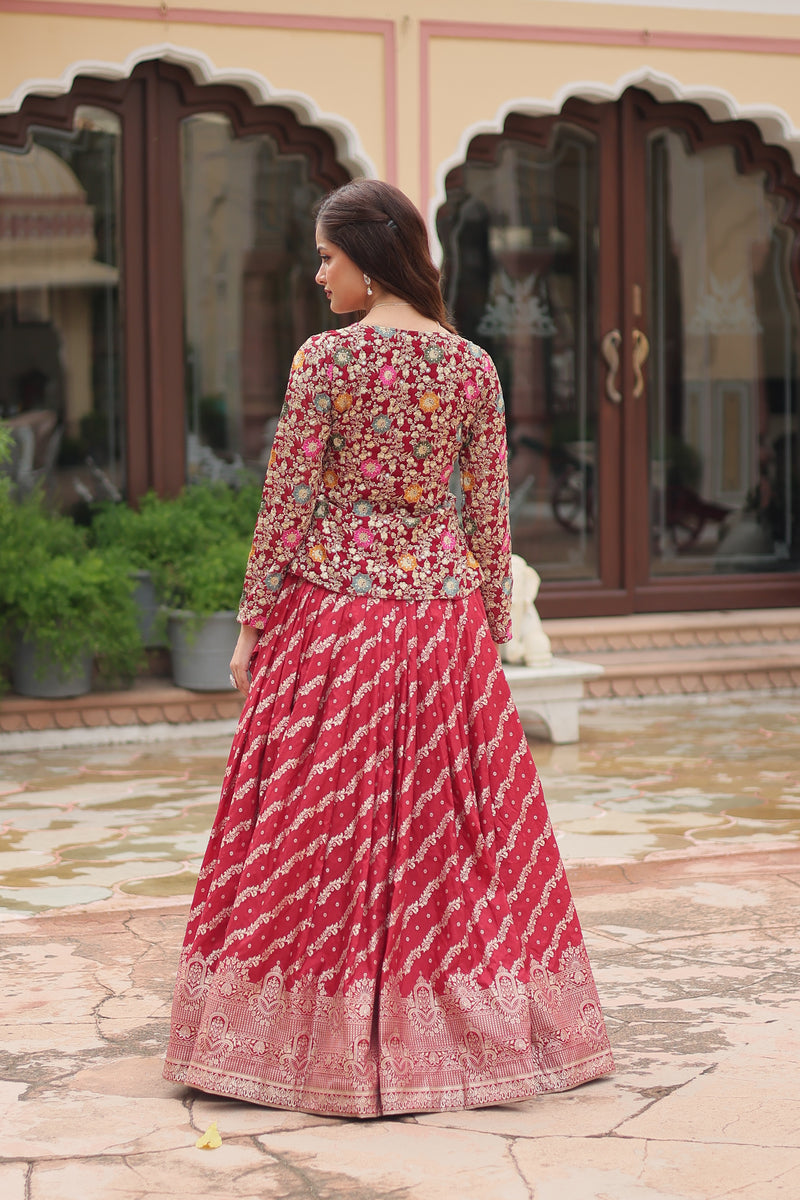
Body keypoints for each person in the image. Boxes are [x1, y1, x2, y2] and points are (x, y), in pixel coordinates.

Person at [162, 179, 614, 1117]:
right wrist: (492, 635)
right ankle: (460, 1036)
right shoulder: (472, 368)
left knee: (317, 830)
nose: (318, 273)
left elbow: (286, 501)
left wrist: (251, 623)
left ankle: (297, 1045)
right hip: (442, 622)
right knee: (455, 846)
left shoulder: (326, 361)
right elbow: (491, 520)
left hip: (338, 620)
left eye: (327, 257)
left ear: (368, 261)